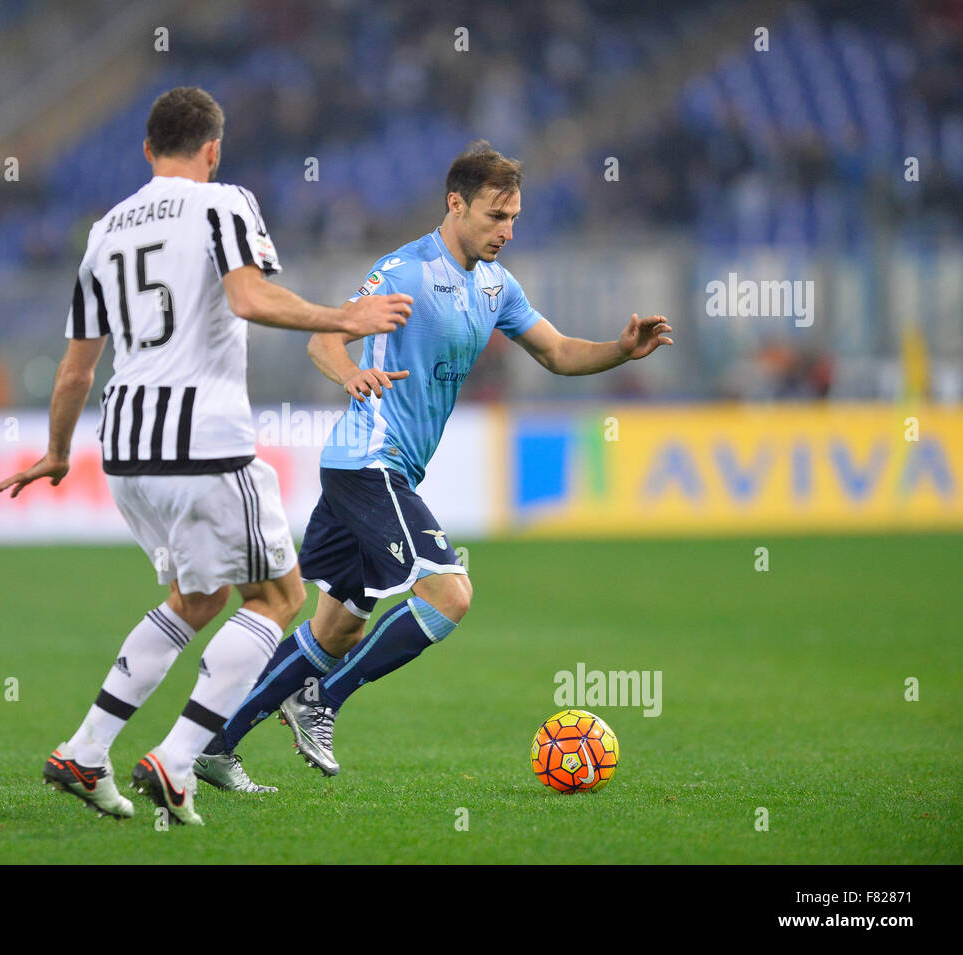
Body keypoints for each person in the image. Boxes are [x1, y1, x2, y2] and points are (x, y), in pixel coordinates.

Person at [196, 140, 672, 789]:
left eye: (513, 218)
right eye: (494, 216)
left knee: (336, 626)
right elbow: (325, 338)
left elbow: (557, 352)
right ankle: (322, 700)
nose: (506, 231)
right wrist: (352, 374)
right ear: (456, 204)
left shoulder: (496, 285)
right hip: (370, 463)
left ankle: (214, 745)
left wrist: (619, 349)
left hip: (379, 469)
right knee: (449, 594)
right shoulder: (406, 270)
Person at [0, 87, 411, 825]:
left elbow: (75, 370)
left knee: (195, 599)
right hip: (203, 442)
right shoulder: (224, 202)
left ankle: (85, 750)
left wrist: (57, 451)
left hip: (123, 447)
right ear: (213, 149)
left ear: (147, 150)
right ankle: (180, 757)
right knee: (279, 598)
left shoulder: (104, 232)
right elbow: (249, 298)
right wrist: (344, 316)